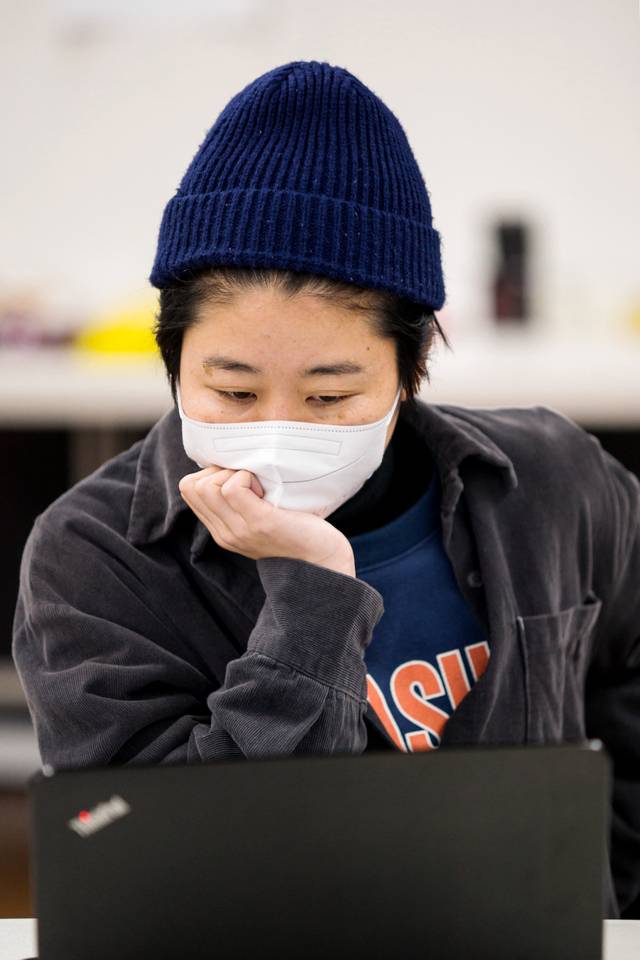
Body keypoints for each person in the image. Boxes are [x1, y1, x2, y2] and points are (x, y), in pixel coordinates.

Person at [11, 60, 640, 919]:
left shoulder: (551, 481)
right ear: (172, 363)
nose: (275, 428)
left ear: (413, 368)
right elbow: (161, 879)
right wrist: (312, 601)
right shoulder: (95, 558)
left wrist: (613, 902)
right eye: (232, 391)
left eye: (329, 397)